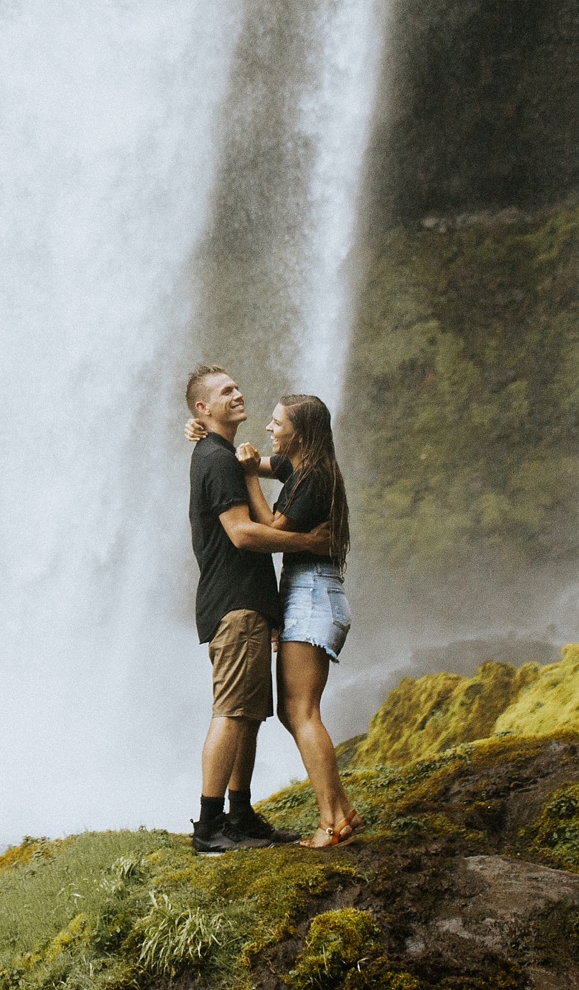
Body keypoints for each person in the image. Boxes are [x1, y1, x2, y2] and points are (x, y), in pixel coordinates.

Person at [184, 366, 333, 855]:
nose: (239, 393)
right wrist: (308, 540)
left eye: (237, 386)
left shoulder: (220, 453)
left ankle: (240, 814)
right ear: (203, 410)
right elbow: (243, 533)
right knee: (230, 712)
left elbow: (270, 471)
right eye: (226, 391)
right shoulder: (216, 458)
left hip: (248, 604)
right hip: (235, 603)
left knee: (247, 715)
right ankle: (209, 827)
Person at [207, 394, 361, 848]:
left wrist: (252, 477)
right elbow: (257, 464)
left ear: (301, 432)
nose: (270, 429)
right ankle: (341, 810)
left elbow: (271, 525)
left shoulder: (313, 478)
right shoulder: (302, 467)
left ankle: (332, 822)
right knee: (292, 712)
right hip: (306, 590)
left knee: (300, 711)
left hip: (313, 591)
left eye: (278, 423)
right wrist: (211, 439)